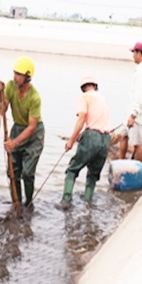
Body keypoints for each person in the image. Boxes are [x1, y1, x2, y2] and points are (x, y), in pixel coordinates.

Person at [0, 56, 45, 207]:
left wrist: (14, 142)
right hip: (17, 128)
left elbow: (31, 127)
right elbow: (2, 111)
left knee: (27, 173)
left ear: (27, 77)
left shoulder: (34, 97)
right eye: (14, 73)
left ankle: (28, 203)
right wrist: (0, 94)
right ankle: (16, 202)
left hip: (34, 134)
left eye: (19, 74)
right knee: (12, 172)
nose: (15, 77)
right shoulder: (10, 87)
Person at [61, 75, 111, 206]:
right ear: (95, 86)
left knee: (72, 169)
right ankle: (88, 202)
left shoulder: (84, 97)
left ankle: (66, 201)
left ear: (83, 88)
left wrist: (71, 140)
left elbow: (82, 119)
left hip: (92, 137)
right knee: (93, 174)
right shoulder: (102, 98)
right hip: (106, 139)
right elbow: (98, 121)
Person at [118, 42, 142, 164]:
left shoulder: (141, 72)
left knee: (137, 144)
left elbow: (139, 95)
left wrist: (134, 114)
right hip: (136, 111)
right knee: (123, 135)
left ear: (139, 53)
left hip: (136, 116)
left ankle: (138, 172)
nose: (133, 55)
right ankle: (120, 164)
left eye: (134, 52)